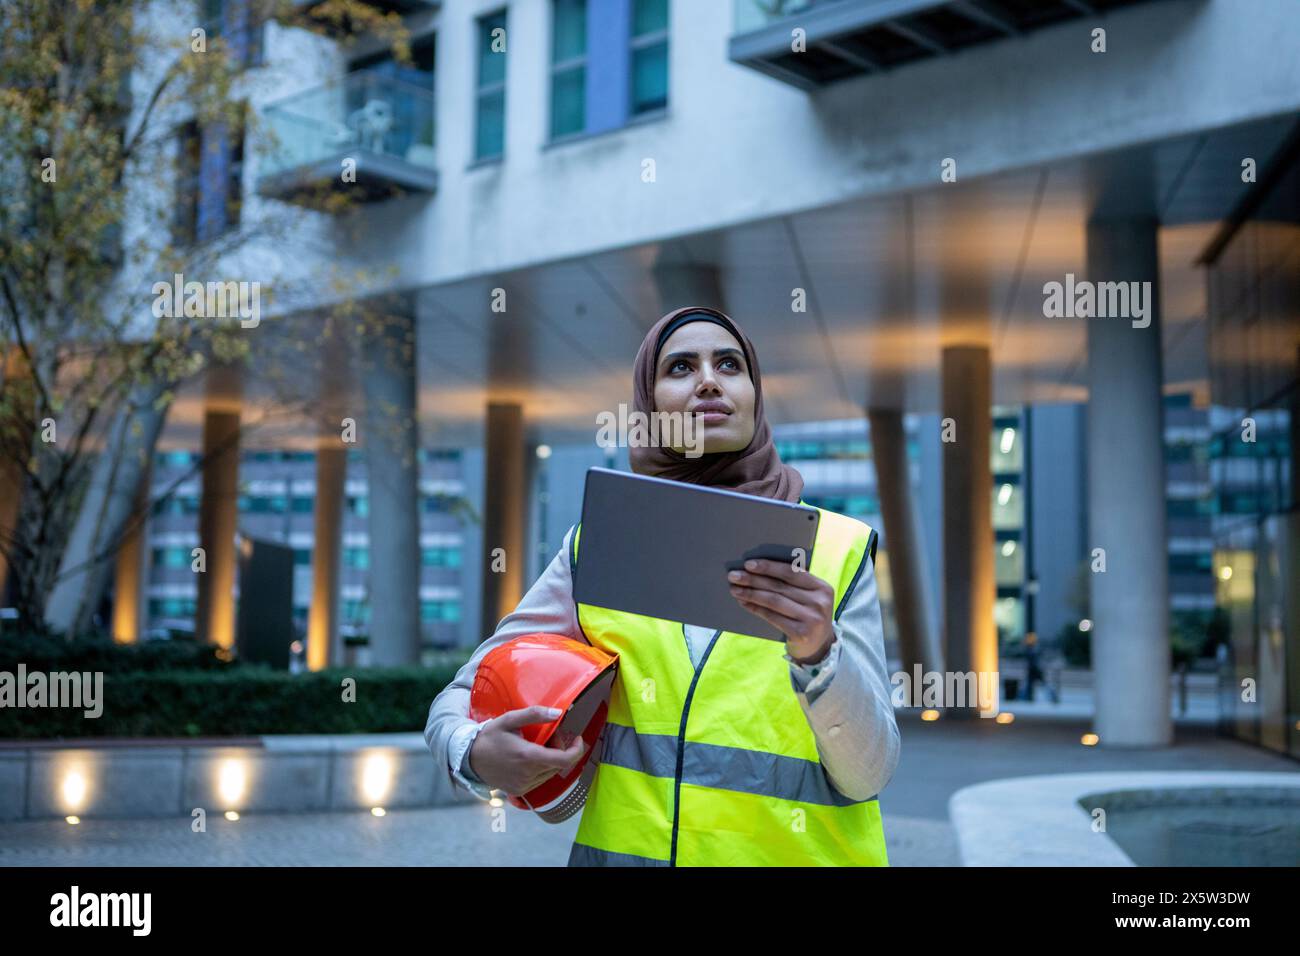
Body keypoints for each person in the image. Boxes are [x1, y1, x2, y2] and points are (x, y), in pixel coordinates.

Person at [425, 306, 901, 866]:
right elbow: (464, 693)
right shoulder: (603, 542)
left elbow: (869, 773)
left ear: (754, 394)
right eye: (680, 367)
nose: (708, 380)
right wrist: (472, 751)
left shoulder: (836, 551)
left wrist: (820, 657)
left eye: (729, 364)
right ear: (650, 407)